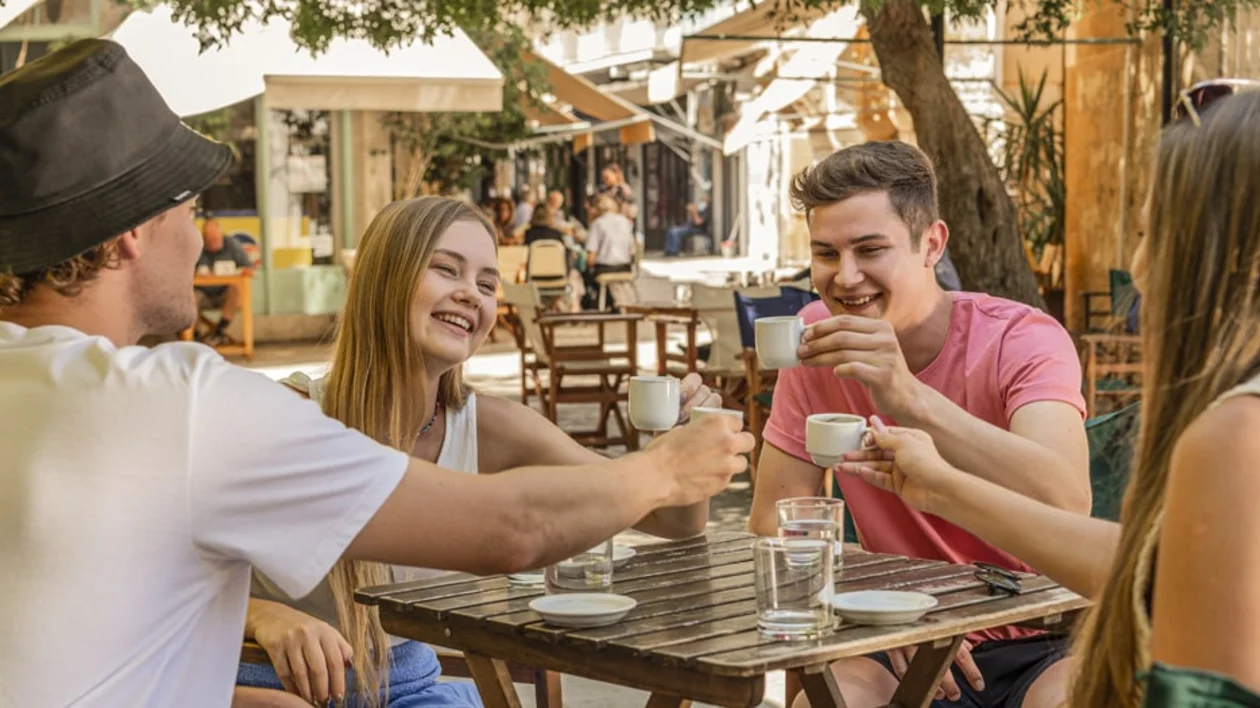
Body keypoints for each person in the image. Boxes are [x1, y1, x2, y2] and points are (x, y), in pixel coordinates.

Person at [0, 38, 753, 707]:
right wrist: (662, 469)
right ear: (132, 231)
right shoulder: (184, 405)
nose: (204, 239)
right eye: (191, 209)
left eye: (487, 280)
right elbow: (512, 528)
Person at [837, 85, 1260, 708]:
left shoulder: (1235, 434)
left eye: (1152, 232)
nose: (1138, 267)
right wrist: (940, 490)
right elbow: (1153, 566)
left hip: (1031, 645)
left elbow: (1205, 682)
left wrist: (917, 416)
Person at [235, 195, 725, 706]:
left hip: (412, 687)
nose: (471, 294)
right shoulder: (285, 417)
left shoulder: (491, 426)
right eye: (447, 270)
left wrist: (685, 441)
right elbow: (160, 566)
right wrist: (257, 614)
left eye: (487, 284)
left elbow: (672, 522)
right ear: (383, 280)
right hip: (269, 685)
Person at [746, 141, 1089, 708]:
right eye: (826, 254)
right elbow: (771, 523)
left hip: (1041, 634)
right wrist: (891, 606)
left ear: (932, 243)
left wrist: (907, 395)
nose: (845, 276)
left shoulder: (1020, 337)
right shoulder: (816, 337)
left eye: (869, 249)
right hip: (892, 637)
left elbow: (1066, 496)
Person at [195, 216, 254, 344]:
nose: (213, 243)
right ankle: (196, 335)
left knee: (236, 290)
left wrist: (242, 271)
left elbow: (248, 268)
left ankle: (219, 330)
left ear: (221, 235)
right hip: (202, 293)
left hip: (224, 293)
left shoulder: (232, 245)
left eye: (216, 239)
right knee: (189, 297)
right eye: (209, 240)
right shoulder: (197, 247)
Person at [585, 195, 638, 311]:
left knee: (586, 275)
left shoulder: (597, 224)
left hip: (605, 268)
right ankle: (613, 302)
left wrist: (588, 264)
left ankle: (600, 302)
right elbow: (632, 249)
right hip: (625, 266)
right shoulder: (625, 222)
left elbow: (591, 256)